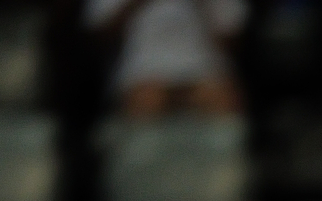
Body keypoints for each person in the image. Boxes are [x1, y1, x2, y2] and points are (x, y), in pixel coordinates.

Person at [87, 0, 246, 117]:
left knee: (221, 99)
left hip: (204, 68)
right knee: (147, 101)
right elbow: (98, 35)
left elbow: (232, 41)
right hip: (143, 71)